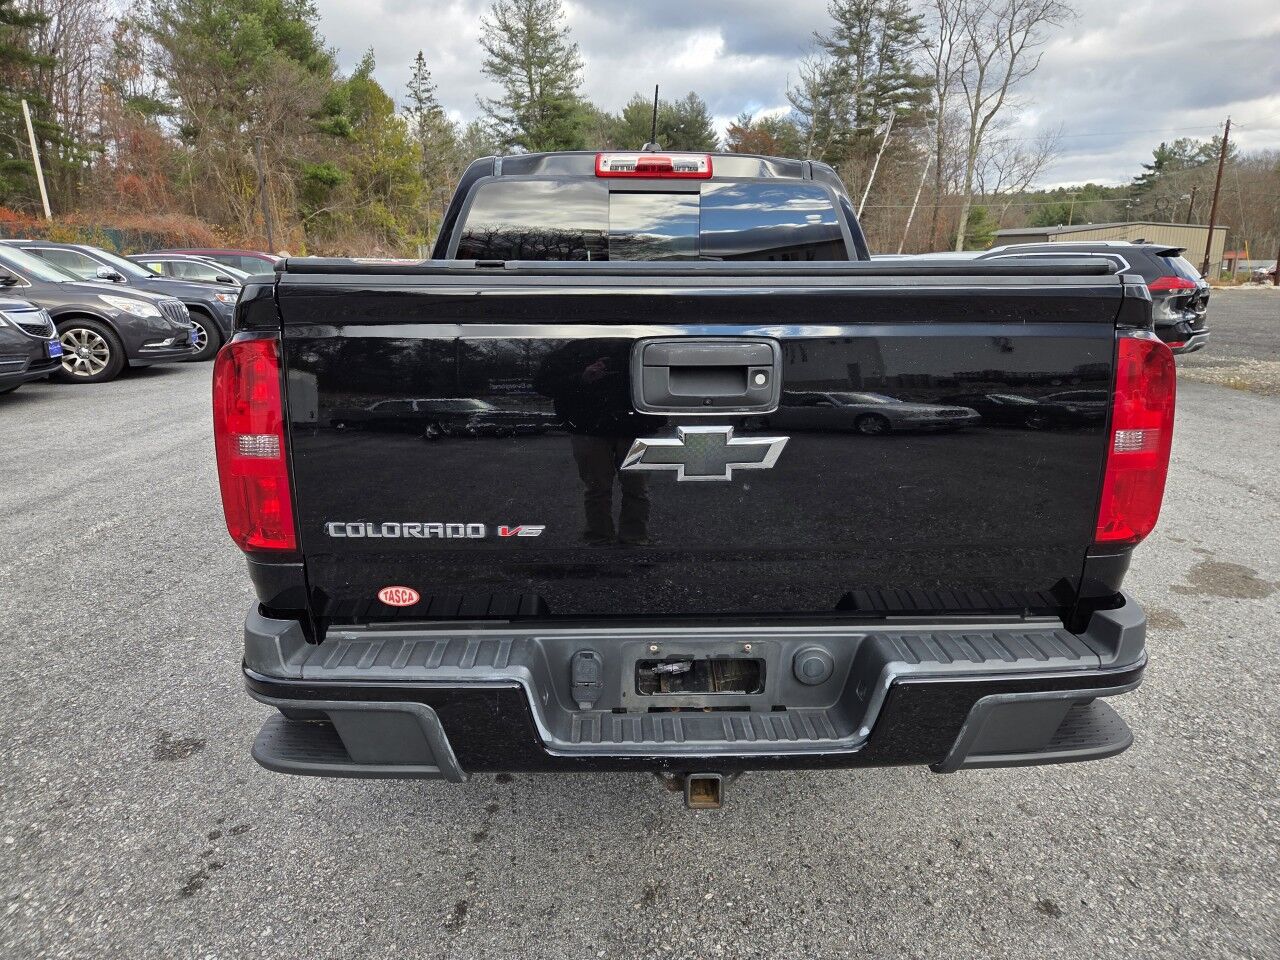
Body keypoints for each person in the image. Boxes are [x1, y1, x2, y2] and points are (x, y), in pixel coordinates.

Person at [535, 342, 655, 546]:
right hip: (589, 429)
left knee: (636, 489)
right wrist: (581, 377)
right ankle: (601, 538)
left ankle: (633, 539)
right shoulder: (572, 350)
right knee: (599, 489)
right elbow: (542, 384)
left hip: (635, 428)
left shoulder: (641, 345)